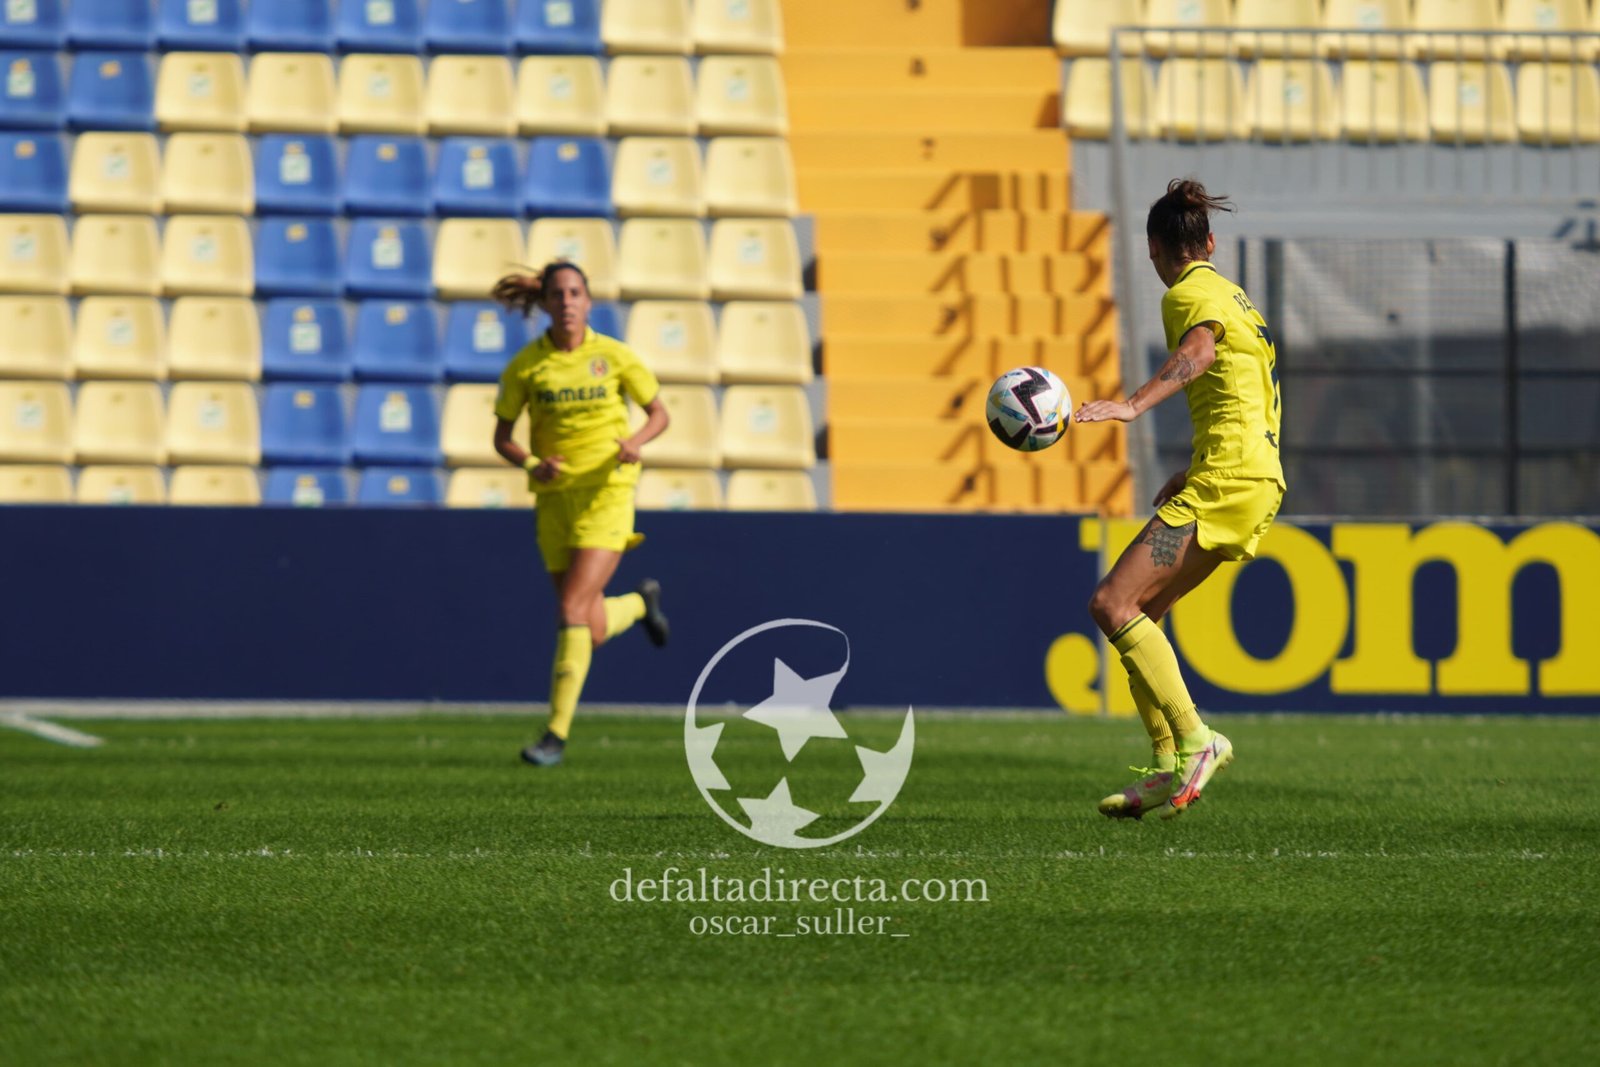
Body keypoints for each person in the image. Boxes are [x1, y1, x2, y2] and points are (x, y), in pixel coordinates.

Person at [1074, 179, 1284, 820]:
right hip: (1243, 480)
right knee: (1140, 611)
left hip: (1227, 483)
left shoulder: (1187, 294)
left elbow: (1199, 354)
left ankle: (1196, 740)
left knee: (1112, 601)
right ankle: (1168, 766)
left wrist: (1131, 405)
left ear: (1154, 250)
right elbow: (1237, 390)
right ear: (1211, 242)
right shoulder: (1232, 293)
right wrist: (1187, 474)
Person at [490, 261, 672, 767]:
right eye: (558, 294)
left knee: (570, 611)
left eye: (575, 292)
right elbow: (502, 438)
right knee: (587, 626)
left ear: (588, 301)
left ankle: (555, 734)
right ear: (546, 304)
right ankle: (639, 604)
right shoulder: (527, 366)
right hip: (555, 499)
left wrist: (634, 443)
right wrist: (531, 462)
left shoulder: (614, 357)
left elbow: (659, 413)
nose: (567, 301)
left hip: (607, 494)